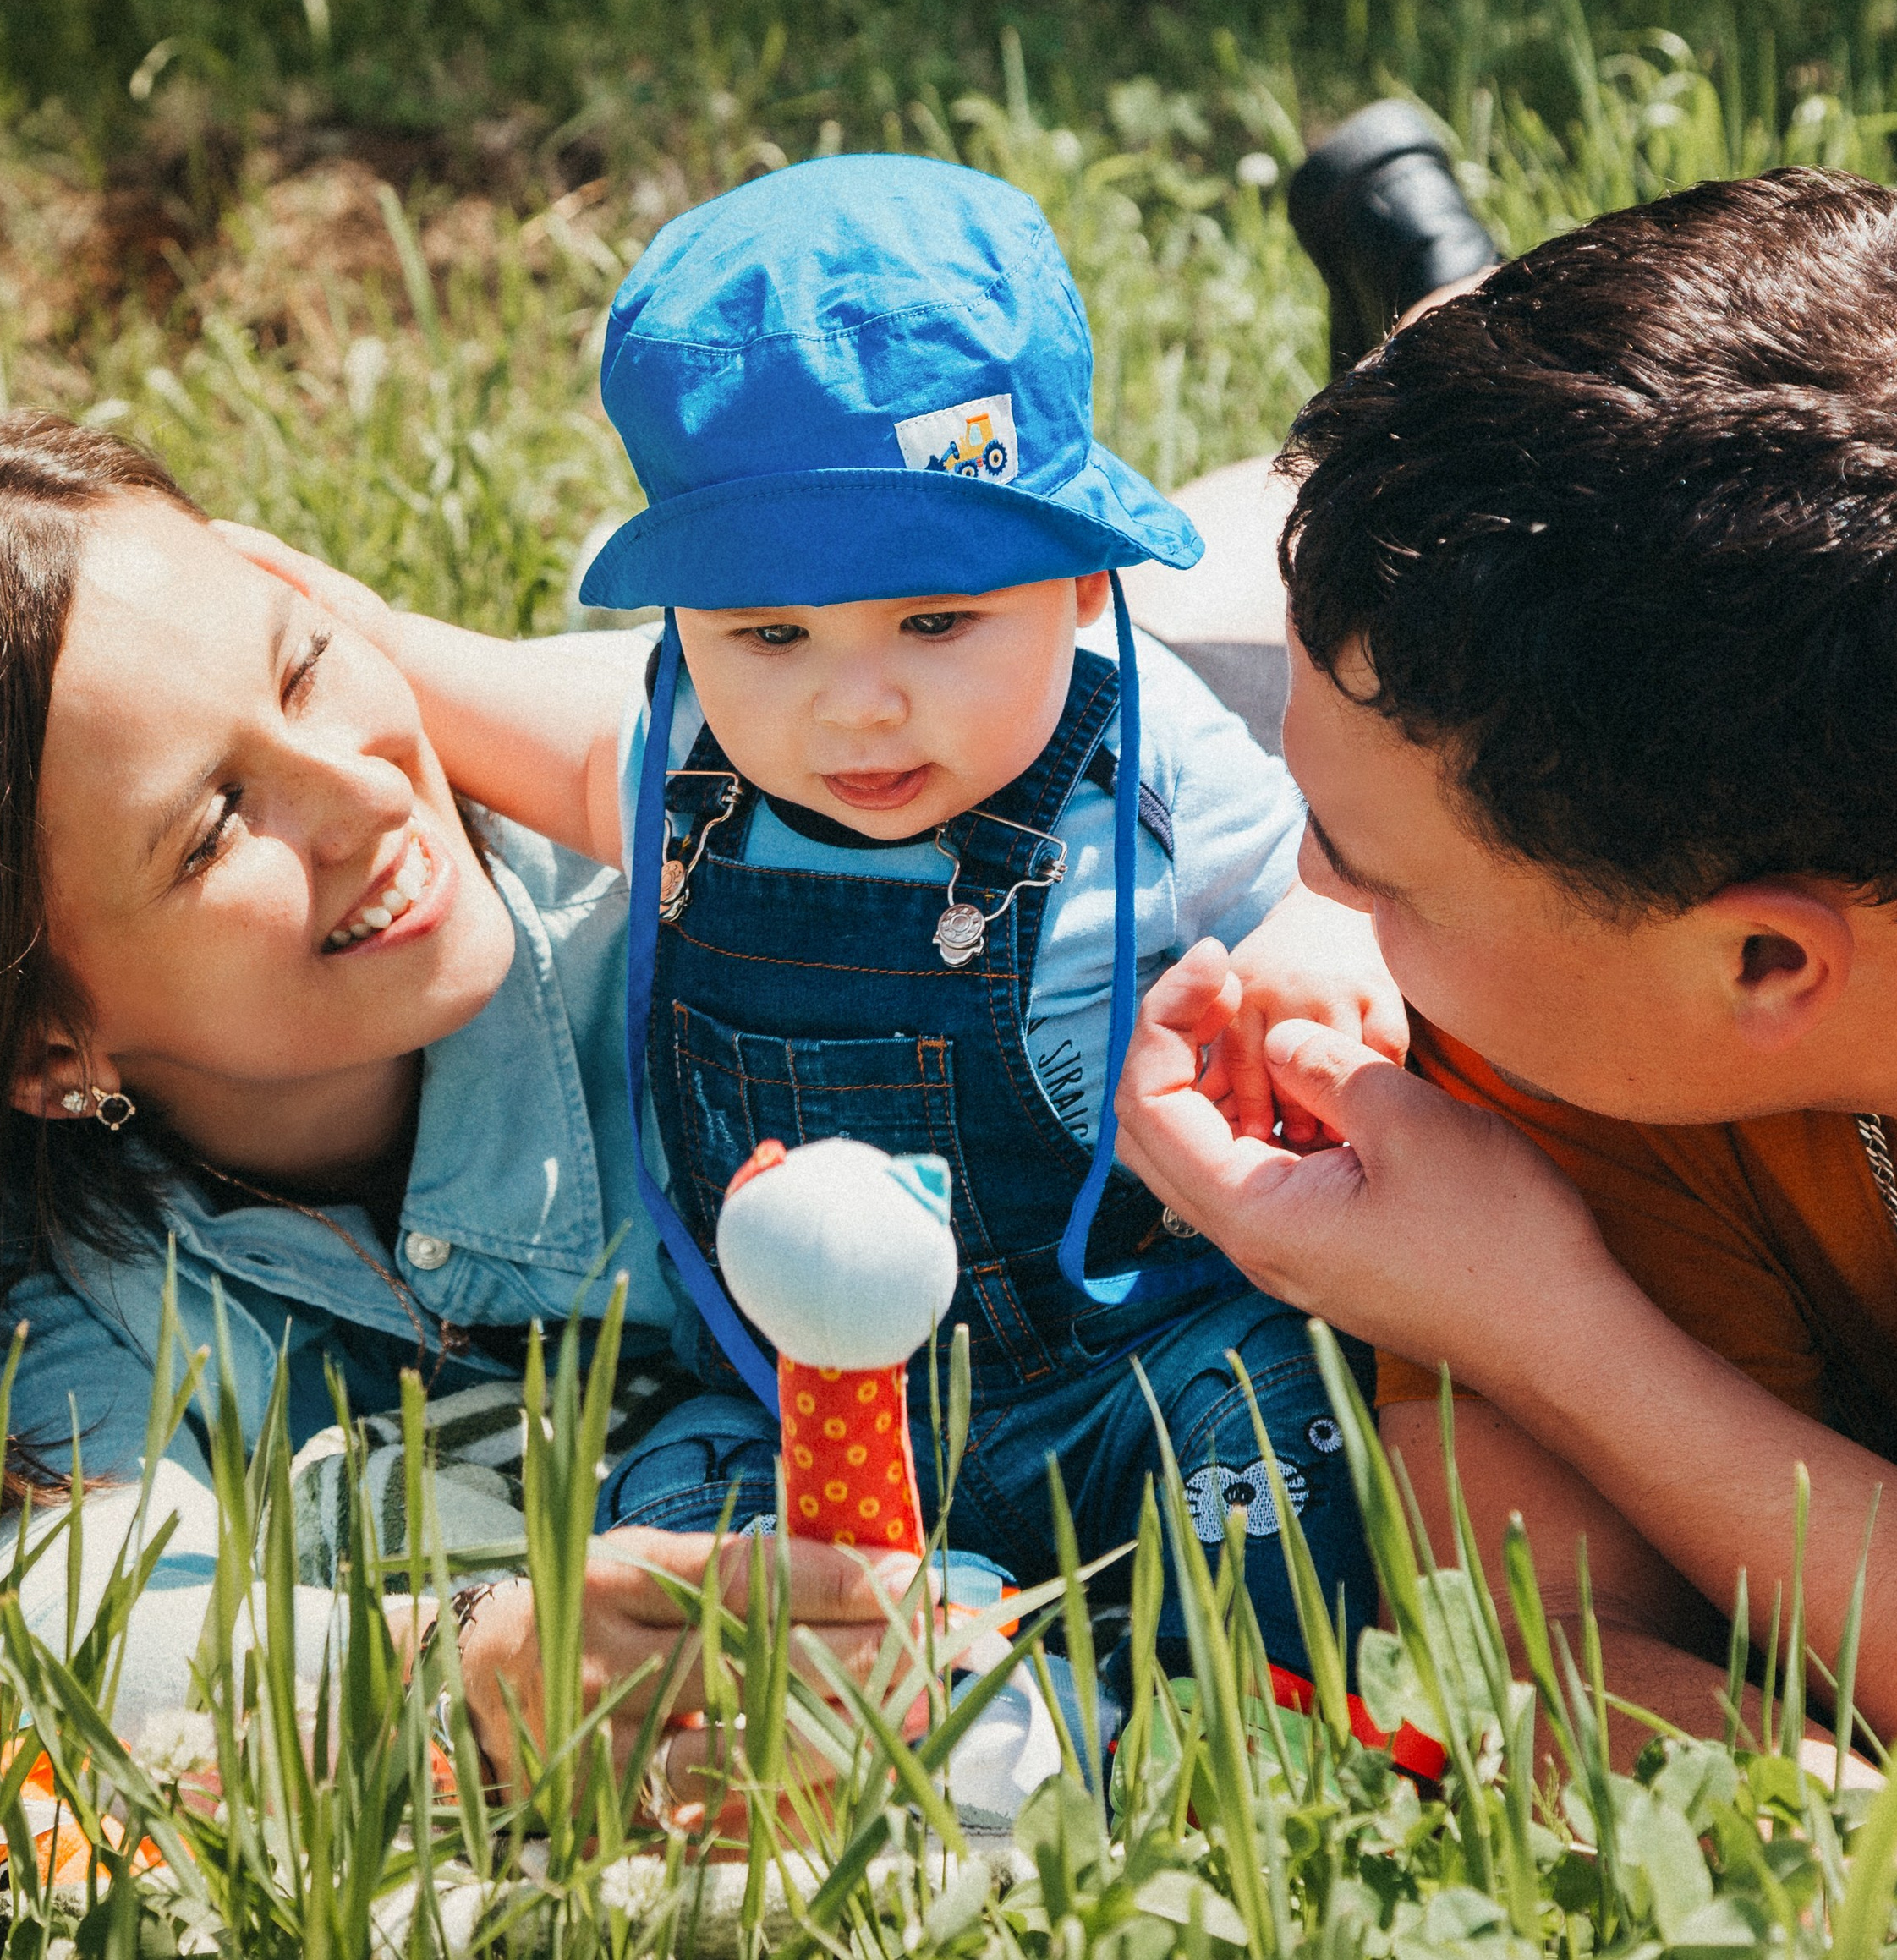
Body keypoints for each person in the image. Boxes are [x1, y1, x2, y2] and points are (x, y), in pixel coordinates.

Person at [248, 155, 1407, 1700]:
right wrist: (351, 631)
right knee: (682, 1540)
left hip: (1125, 1357)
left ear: (1080, 579)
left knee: (1287, 1426)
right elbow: (497, 716)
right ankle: (967, 1721)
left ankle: (1232, 1726)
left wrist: (1320, 926)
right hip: (797, 1404)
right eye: (771, 634)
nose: (857, 705)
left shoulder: (1151, 762)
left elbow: (1350, 862)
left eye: (934, 622)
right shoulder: (680, 770)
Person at [1114, 163, 1897, 1824]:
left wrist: (1551, 1332)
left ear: (1763, 964)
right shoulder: (1571, 1031)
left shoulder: (1595, 1002)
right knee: (1126, 643)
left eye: (1370, 874)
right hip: (1296, 688)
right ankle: (1435, 305)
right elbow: (1544, 1659)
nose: (1310, 896)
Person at [0, 410, 901, 1798]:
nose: (364, 791)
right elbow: (80, 1633)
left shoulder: (697, 821)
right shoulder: (83, 1271)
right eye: (217, 824)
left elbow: (1093, 757)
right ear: (50, 1051)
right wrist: (463, 1668)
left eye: (304, 667)